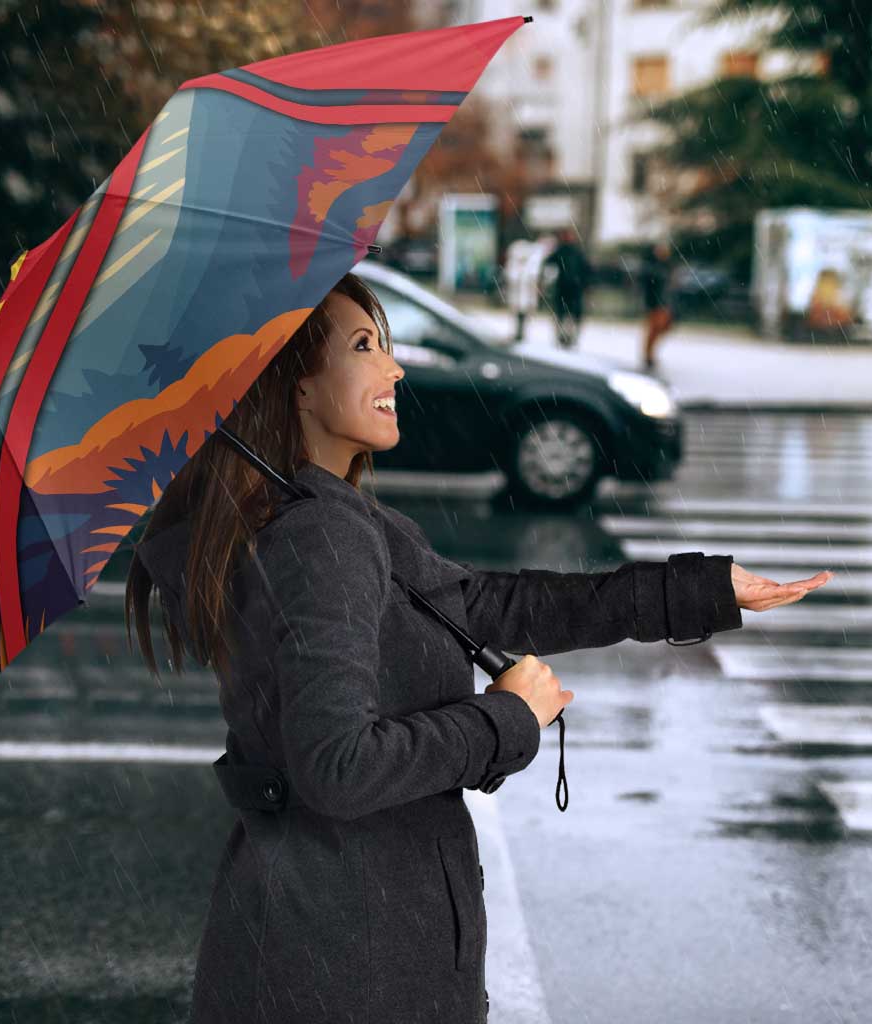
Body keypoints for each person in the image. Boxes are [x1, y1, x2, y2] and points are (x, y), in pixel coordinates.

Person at [126, 272, 832, 1024]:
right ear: (296, 388)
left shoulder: (329, 519)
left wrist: (698, 590)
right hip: (346, 963)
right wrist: (505, 719)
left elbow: (493, 606)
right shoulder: (320, 536)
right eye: (365, 346)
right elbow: (337, 767)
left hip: (328, 944)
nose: (394, 368)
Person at [542, 226, 592, 349]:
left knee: (570, 315)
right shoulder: (562, 251)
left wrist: (585, 284)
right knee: (563, 314)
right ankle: (563, 337)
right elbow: (548, 264)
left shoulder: (575, 252)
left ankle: (569, 337)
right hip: (565, 288)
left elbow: (586, 270)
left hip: (573, 288)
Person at [640, 239, 676, 370]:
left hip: (664, 303)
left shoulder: (667, 266)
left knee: (662, 328)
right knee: (654, 329)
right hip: (655, 303)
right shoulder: (652, 267)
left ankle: (649, 354)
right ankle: (648, 355)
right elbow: (649, 286)